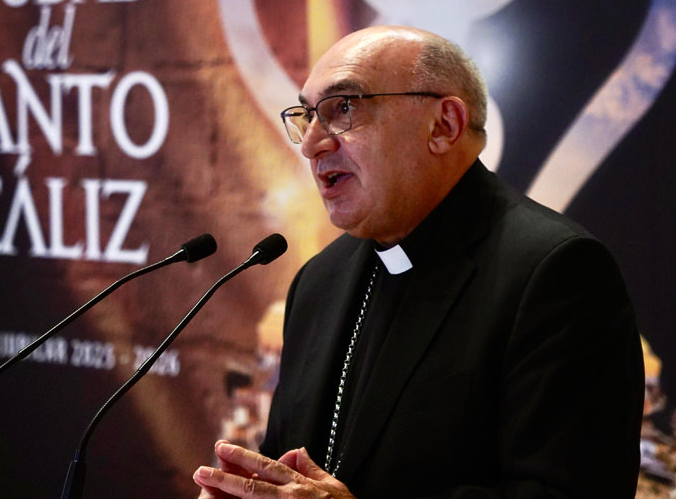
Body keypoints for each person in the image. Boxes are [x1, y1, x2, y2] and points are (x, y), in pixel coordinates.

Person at [193, 25, 644, 498]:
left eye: (344, 108)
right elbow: (287, 466)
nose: (311, 144)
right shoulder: (319, 280)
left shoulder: (556, 272)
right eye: (308, 116)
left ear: (444, 125)